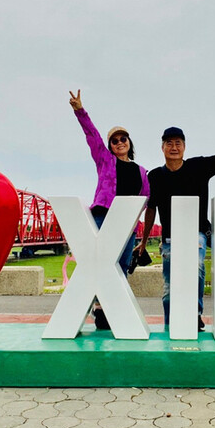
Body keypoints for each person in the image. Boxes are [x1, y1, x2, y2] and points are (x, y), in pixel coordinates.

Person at [134, 117, 215, 331]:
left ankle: (194, 314)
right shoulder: (155, 176)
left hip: (197, 233)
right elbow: (151, 210)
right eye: (169, 143)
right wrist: (145, 241)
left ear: (184, 147)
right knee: (169, 287)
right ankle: (170, 325)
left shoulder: (198, 166)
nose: (174, 147)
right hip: (169, 239)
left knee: (195, 266)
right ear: (162, 148)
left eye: (178, 143)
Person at [69, 90, 150, 329]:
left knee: (121, 266)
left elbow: (144, 200)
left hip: (127, 223)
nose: (119, 142)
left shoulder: (141, 171)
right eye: (114, 140)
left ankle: (111, 306)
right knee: (99, 263)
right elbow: (91, 135)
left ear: (129, 142)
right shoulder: (105, 160)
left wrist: (138, 231)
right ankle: (98, 307)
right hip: (104, 217)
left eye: (123, 138)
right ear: (110, 146)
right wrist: (79, 111)